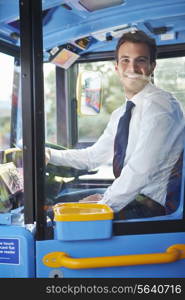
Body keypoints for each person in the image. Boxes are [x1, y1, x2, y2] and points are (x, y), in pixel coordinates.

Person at [46, 30, 185, 219]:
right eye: (126, 60)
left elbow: (140, 170)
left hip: (155, 205)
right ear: (117, 67)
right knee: (58, 203)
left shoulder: (160, 106)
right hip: (135, 196)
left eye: (141, 60)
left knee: (55, 215)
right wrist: (49, 155)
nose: (132, 68)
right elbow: (92, 157)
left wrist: (102, 205)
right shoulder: (121, 113)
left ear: (152, 67)